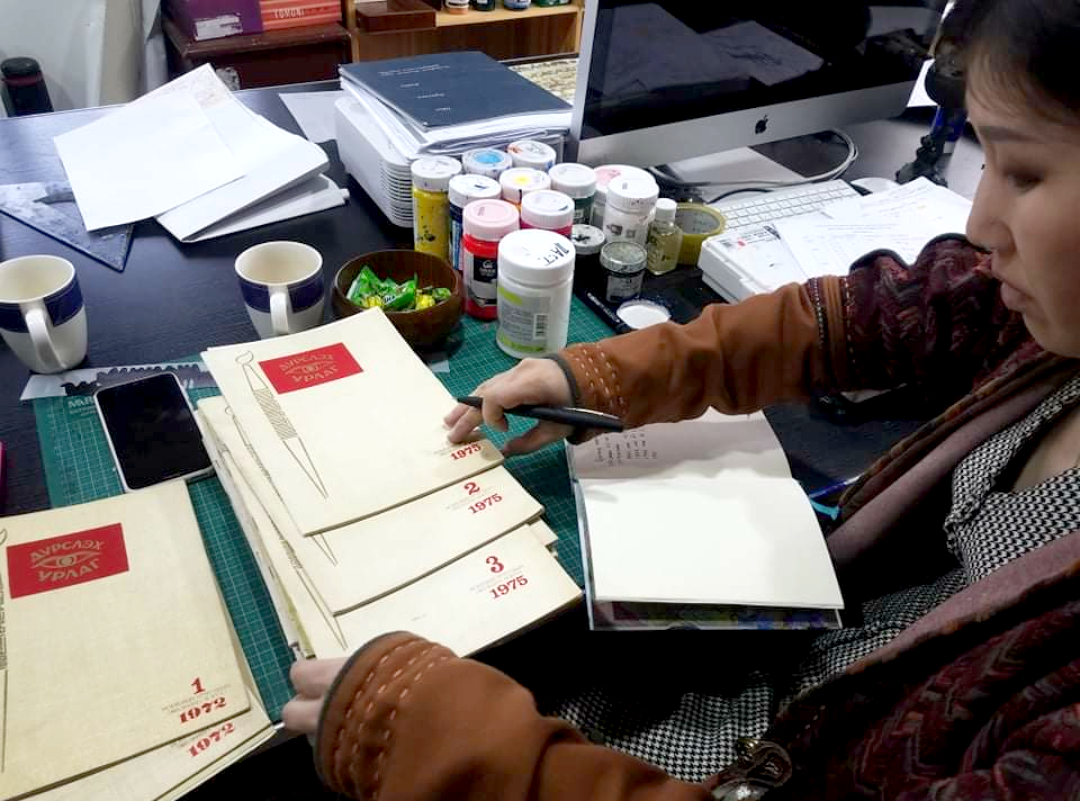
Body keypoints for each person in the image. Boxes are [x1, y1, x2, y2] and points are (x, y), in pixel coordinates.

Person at [282, 0, 1080, 796]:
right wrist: (596, 375)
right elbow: (845, 322)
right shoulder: (1039, 331)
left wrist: (468, 756)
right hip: (794, 686)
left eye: (1023, 172)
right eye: (987, 162)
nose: (981, 223)